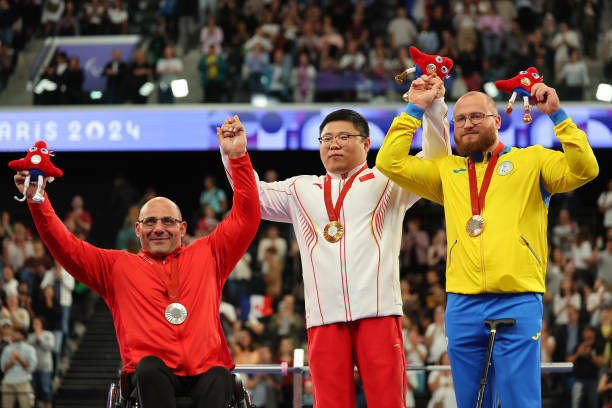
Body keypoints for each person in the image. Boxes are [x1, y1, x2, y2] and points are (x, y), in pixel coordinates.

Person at [219, 77, 451, 407]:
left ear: (366, 143)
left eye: (344, 137)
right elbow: (253, 197)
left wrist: (432, 108)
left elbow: (436, 161)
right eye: (326, 138)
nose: (334, 144)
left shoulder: (388, 180)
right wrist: (236, 156)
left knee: (388, 402)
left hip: (379, 313)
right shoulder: (301, 189)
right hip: (324, 318)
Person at [376, 75, 599, 407]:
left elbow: (585, 170)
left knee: (520, 402)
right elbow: (389, 162)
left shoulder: (532, 161)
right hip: (462, 303)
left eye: (477, 116)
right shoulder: (446, 171)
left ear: (497, 120)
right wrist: (415, 108)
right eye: (460, 119)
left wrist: (557, 116)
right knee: (470, 402)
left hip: (518, 298)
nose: (467, 124)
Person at [11, 127, 260, 407]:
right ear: (137, 229)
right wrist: (37, 201)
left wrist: (238, 157)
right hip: (152, 379)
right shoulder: (116, 267)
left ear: (182, 228)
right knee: (149, 368)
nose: (159, 228)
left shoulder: (210, 253)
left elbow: (246, 217)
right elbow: (66, 248)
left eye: (168, 221)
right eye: (150, 222)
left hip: (207, 372)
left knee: (218, 373)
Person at [1, 325, 37, 408]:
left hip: (23, 381)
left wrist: (20, 360)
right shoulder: (7, 349)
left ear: (23, 336)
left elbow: (31, 368)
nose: (13, 334)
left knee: (26, 405)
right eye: (13, 333)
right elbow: (3, 368)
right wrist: (11, 363)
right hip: (8, 382)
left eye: (16, 333)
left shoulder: (30, 349)